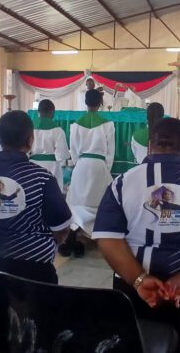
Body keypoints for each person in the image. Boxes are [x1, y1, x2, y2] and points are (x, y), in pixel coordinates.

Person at [93, 118, 180, 353]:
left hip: (132, 286)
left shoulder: (121, 184)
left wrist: (139, 278)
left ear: (150, 145)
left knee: (131, 344)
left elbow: (108, 239)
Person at [0, 110, 72, 292]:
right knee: (35, 310)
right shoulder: (42, 177)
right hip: (31, 263)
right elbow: (62, 228)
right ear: (30, 140)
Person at [62, 89, 115, 257]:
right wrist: (106, 168)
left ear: (85, 102)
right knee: (98, 201)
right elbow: (110, 151)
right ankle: (93, 234)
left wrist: (79, 164)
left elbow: (74, 150)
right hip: (99, 165)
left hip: (82, 164)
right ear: (100, 103)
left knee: (77, 200)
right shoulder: (108, 124)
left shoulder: (76, 124)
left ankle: (74, 231)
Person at [30, 99, 70, 190]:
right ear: (52, 112)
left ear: (38, 112)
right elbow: (63, 154)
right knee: (52, 192)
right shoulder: (58, 130)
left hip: (32, 166)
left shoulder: (29, 127)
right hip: (52, 167)